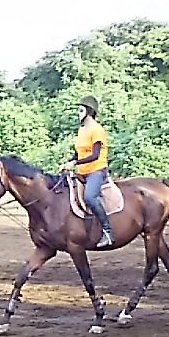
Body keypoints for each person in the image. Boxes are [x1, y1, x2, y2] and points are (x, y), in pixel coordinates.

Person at [61, 95, 115, 247]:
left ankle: (108, 231)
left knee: (90, 197)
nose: (78, 113)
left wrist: (74, 163)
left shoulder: (97, 130)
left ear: (89, 112)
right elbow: (78, 153)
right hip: (82, 171)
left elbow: (95, 155)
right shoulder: (81, 130)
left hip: (96, 170)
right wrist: (68, 163)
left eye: (80, 110)